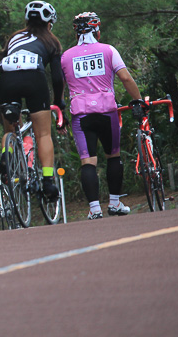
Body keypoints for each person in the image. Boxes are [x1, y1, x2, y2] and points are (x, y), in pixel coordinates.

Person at [61, 12, 146, 219]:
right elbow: (125, 77)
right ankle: (115, 203)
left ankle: (94, 209)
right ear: (97, 30)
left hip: (81, 115)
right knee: (113, 156)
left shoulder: (66, 56)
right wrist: (138, 100)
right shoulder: (108, 50)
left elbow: (60, 88)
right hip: (107, 111)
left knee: (88, 161)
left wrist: (59, 114)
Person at [0, 0, 65, 202]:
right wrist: (59, 102)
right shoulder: (51, 41)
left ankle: (5, 157)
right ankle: (47, 181)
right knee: (43, 133)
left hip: (7, 78)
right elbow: (57, 78)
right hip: (34, 77)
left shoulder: (14, 37)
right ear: (49, 22)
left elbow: (3, 58)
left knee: (9, 130)